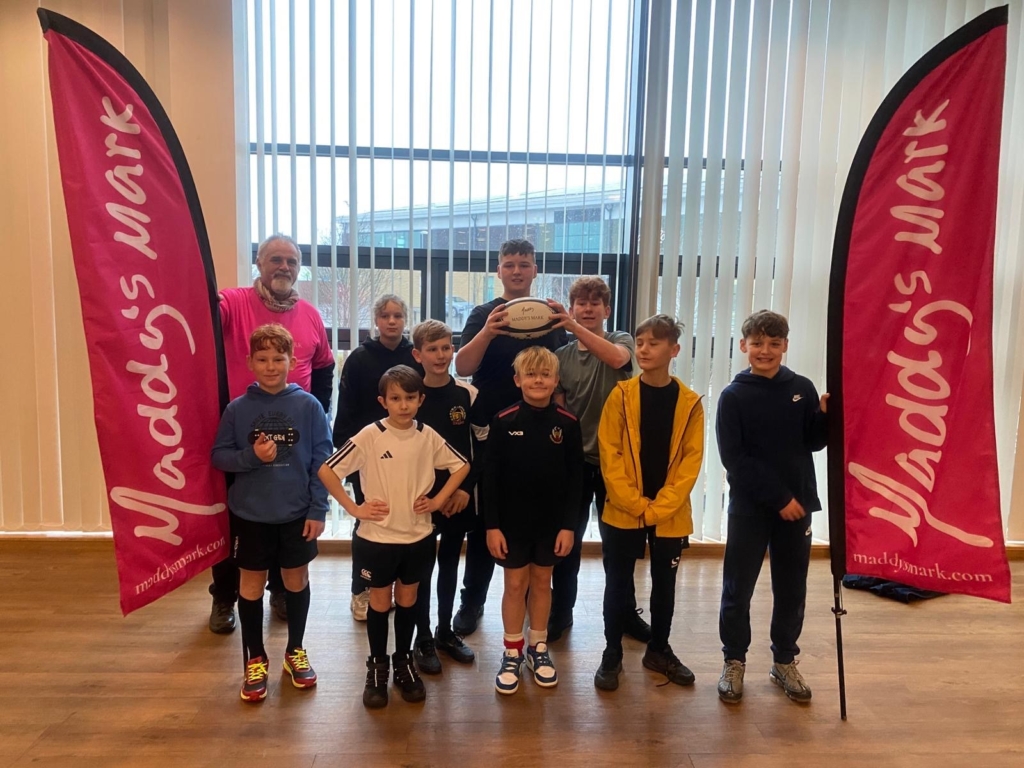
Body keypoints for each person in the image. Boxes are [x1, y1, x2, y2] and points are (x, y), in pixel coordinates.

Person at [319, 365, 470, 709]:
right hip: (376, 538)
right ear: (383, 401)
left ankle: (403, 661)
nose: (403, 405)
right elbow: (327, 470)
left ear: (421, 400)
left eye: (410, 398)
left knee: (408, 600)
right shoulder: (369, 435)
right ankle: (377, 666)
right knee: (379, 602)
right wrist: (354, 509)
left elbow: (461, 465)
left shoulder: (428, 435)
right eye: (396, 398)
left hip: (417, 536)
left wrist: (437, 500)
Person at [209, 233, 335, 635]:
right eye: (275, 259)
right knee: (237, 524)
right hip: (242, 430)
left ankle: (282, 591)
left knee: (289, 519)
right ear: (259, 263)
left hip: (296, 433)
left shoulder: (311, 315)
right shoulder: (233, 301)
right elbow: (205, 312)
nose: (284, 267)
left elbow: (324, 368)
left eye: (291, 261)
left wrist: (316, 414)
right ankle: (224, 596)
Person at [452, 239, 568, 636]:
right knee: (488, 521)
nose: (516, 270)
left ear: (535, 269)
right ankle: (472, 602)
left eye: (524, 264)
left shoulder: (552, 317)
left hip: (542, 434)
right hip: (490, 432)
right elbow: (463, 365)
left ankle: (549, 610)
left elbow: (563, 375)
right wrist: (486, 332)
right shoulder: (484, 313)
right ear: (498, 271)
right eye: (509, 264)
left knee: (542, 518)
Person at [210, 324, 333, 702]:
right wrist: (251, 457)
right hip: (251, 516)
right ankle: (255, 658)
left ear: (292, 361)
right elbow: (219, 456)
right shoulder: (237, 409)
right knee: (249, 585)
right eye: (261, 359)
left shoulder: (309, 406)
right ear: (249, 362)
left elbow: (322, 461)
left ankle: (294, 650)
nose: (270, 366)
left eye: (278, 359)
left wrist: (318, 508)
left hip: (297, 514)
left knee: (295, 580)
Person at [715, 309, 828, 705]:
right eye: (757, 343)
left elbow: (813, 441)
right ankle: (734, 660)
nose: (765, 350)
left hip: (798, 508)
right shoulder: (733, 396)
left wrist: (827, 417)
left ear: (785, 346)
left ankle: (784, 661)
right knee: (738, 587)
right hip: (752, 507)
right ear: (744, 345)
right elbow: (736, 459)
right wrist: (779, 499)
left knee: (792, 586)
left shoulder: (802, 387)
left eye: (774, 343)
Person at [593, 314, 705, 692]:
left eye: (653, 343)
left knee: (665, 585)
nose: (643, 349)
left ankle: (659, 649)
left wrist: (658, 509)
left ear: (673, 350)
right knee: (618, 584)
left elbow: (691, 463)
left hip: (669, 515)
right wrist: (635, 504)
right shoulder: (621, 396)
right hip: (624, 510)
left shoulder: (690, 403)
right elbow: (609, 455)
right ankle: (612, 652)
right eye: (640, 342)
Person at [547, 276, 650, 644]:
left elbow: (619, 359)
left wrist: (572, 326)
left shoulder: (621, 340)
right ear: (573, 306)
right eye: (581, 303)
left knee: (618, 547)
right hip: (576, 465)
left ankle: (625, 615)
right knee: (566, 544)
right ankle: (561, 614)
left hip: (617, 465)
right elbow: (558, 411)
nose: (588, 309)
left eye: (595, 303)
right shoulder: (560, 358)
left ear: (607, 310)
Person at [485, 347, 583, 695]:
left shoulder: (568, 424)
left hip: (552, 524)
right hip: (511, 524)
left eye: (545, 374)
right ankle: (511, 651)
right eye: (531, 374)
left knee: (543, 582)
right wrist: (492, 525)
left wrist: (569, 525)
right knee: (515, 585)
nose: (538, 380)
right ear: (518, 380)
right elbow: (490, 478)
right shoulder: (504, 420)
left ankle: (537, 648)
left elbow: (576, 481)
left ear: (556, 380)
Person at [332, 294, 420, 621]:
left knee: (405, 522)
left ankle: (400, 588)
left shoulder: (415, 357)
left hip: (409, 456)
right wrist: (347, 454)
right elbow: (347, 412)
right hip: (368, 457)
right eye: (386, 315)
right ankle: (363, 589)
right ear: (376, 320)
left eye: (398, 315)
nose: (392, 321)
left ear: (405, 319)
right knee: (369, 521)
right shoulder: (358, 359)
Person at [409, 320, 487, 674]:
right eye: (432, 349)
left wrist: (465, 489)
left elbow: (481, 450)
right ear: (417, 355)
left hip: (457, 498)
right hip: (422, 501)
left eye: (445, 347)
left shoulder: (467, 395)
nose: (440, 355)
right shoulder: (410, 398)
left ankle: (444, 631)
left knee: (450, 565)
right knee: (422, 568)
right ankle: (422, 637)